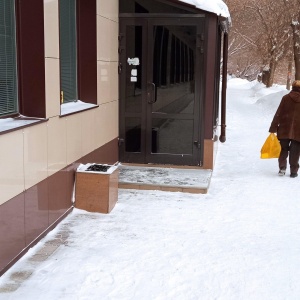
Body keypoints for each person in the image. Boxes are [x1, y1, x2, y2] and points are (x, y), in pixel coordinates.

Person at [269, 80, 300, 178]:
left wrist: (273, 128)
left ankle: (282, 168)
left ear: (292, 87)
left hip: (284, 129)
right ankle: (293, 172)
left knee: (283, 149)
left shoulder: (286, 98)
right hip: (298, 131)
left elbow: (279, 113)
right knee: (295, 151)